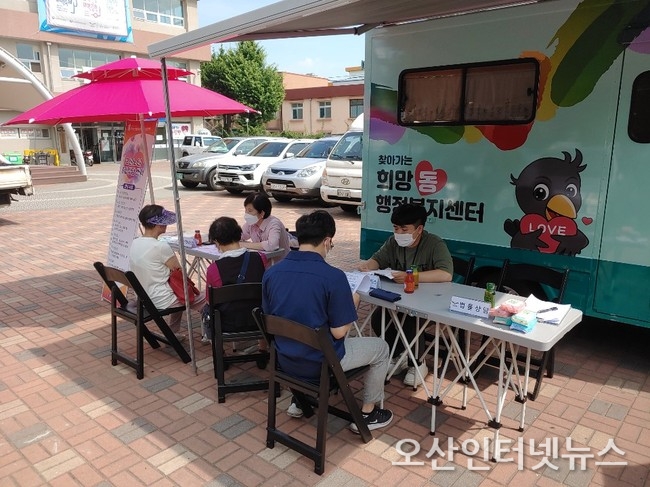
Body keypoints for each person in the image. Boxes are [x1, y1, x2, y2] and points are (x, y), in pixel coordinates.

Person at [263, 210, 393, 432]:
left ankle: (299, 399)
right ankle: (368, 413)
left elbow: (270, 318)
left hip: (284, 359)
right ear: (327, 241)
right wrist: (353, 301)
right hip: (320, 364)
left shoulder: (272, 273)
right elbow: (339, 332)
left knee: (301, 327)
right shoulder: (333, 277)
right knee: (380, 348)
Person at [359, 203, 453, 386]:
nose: (399, 233)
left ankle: (417, 363)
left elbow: (445, 274)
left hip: (429, 302)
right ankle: (398, 355)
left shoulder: (434, 244)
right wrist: (367, 266)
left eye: (404, 229)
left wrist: (412, 277)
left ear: (419, 229)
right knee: (379, 318)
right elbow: (377, 259)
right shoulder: (393, 242)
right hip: (400, 298)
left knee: (410, 319)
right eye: (396, 228)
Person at [202, 216, 268, 344]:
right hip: (259, 320)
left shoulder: (214, 269)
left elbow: (210, 301)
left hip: (227, 324)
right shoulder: (261, 258)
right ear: (239, 234)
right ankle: (262, 348)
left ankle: (220, 351)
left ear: (216, 241)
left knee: (207, 308)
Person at [129, 204, 186, 338]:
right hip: (161, 299)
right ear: (158, 224)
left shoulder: (134, 243)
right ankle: (209, 334)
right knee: (202, 299)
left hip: (143, 297)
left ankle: (172, 334)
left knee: (179, 293)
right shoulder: (160, 246)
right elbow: (179, 271)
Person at [240, 193, 297, 261]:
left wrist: (244, 244)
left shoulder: (274, 224)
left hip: (280, 263)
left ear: (262, 213)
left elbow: (272, 245)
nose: (246, 214)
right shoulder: (251, 224)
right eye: (245, 210)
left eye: (250, 211)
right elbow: (238, 236)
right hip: (263, 262)